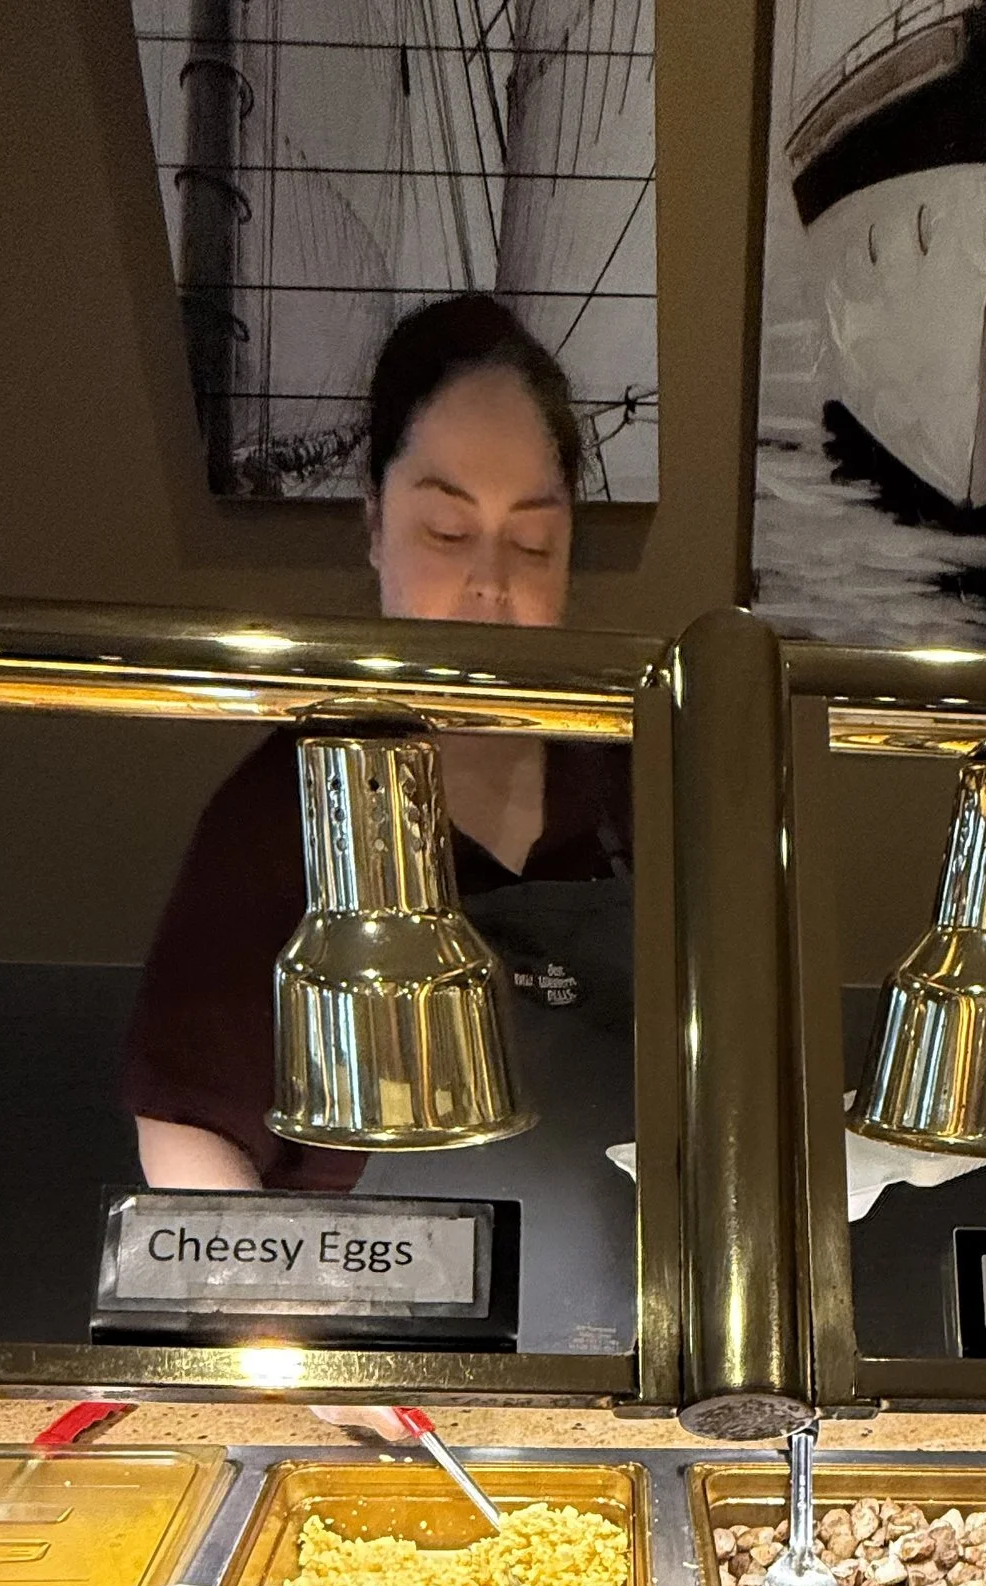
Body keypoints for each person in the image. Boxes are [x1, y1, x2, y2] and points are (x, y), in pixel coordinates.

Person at [126, 295, 635, 1246]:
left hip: (619, 1336)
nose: (492, 582)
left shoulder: (631, 783)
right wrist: (306, 1336)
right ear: (374, 524)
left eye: (534, 543)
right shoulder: (283, 809)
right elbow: (183, 1125)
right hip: (386, 1338)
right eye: (448, 533)